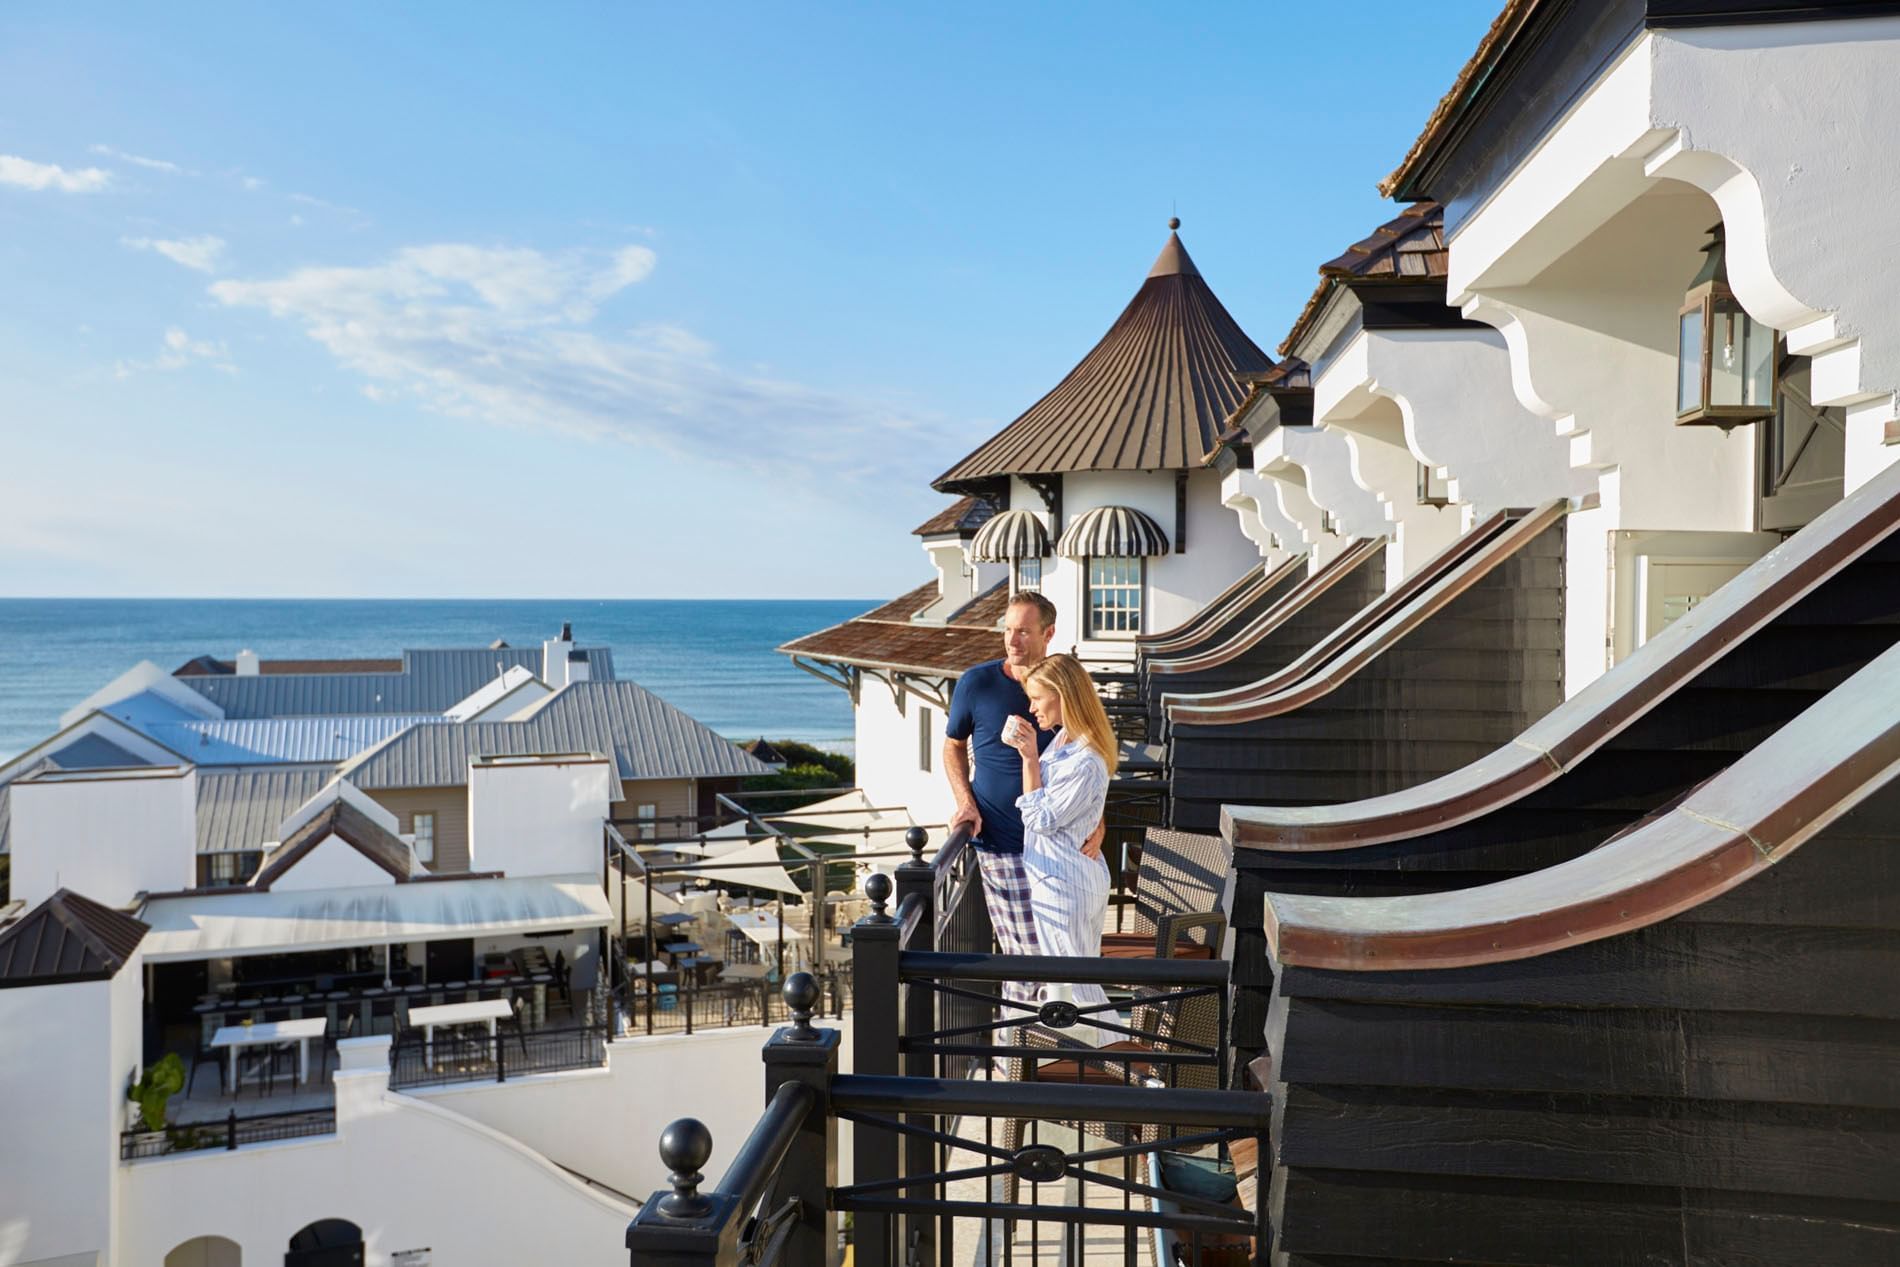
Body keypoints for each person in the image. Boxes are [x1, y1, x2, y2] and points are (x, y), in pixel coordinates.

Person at [943, 592, 1103, 1005]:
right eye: (1008, 630)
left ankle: (1049, 1038)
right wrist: (965, 802)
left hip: (1062, 852)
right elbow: (952, 746)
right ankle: (1017, 1042)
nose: (1012, 641)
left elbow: (1091, 753)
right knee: (1027, 961)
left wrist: (1098, 819)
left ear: (1048, 634)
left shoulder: (1065, 687)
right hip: (1003, 844)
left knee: (1062, 963)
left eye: (1024, 632)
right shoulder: (976, 683)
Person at [1002, 653, 1116, 1015]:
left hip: (1066, 884)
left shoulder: (1085, 759)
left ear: (1062, 695)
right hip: (1061, 877)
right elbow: (1081, 805)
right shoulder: (1066, 738)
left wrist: (1028, 758)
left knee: (1078, 995)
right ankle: (1094, 1049)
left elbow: (1041, 819)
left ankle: (1125, 1052)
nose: (1031, 707)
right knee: (1070, 990)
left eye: (1037, 698)